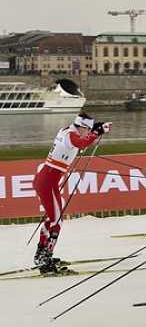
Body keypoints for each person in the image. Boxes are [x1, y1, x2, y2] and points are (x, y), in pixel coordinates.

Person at [33, 113, 111, 273]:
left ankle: (41, 255)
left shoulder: (67, 130)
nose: (87, 132)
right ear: (82, 127)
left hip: (47, 181)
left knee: (53, 219)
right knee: (57, 221)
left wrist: (94, 131)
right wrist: (97, 132)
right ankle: (45, 259)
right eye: (87, 129)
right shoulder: (71, 135)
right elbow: (81, 143)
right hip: (47, 182)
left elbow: (81, 140)